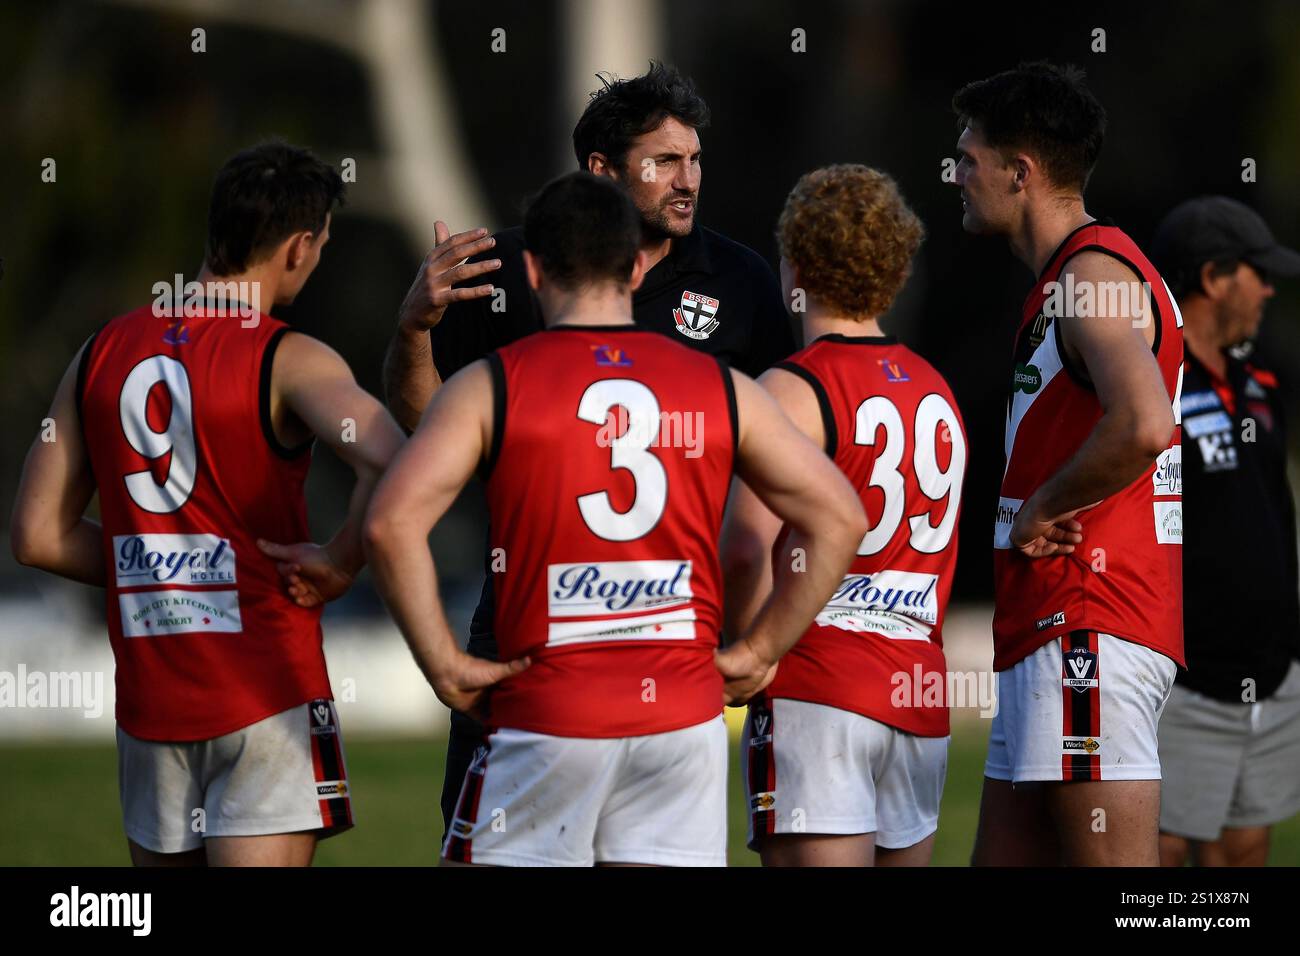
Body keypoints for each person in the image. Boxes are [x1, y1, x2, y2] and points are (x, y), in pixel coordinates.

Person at [363, 171, 865, 866]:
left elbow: (390, 524)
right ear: (635, 266)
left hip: (547, 711)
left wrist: (445, 666)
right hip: (680, 723)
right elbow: (839, 515)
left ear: (534, 269)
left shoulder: (494, 383)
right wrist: (760, 649)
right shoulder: (721, 386)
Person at [381, 61, 797, 835]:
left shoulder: (741, 281)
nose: (689, 180)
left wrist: (757, 627)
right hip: (522, 624)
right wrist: (413, 331)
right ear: (602, 171)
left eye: (695, 159)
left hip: (671, 631)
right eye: (664, 161)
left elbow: (796, 468)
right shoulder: (502, 271)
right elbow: (419, 423)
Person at [10, 141, 405, 866]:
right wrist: (341, 562)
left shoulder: (100, 351)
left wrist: (155, 570)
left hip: (154, 708)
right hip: (267, 696)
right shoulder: (289, 356)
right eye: (318, 248)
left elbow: (36, 535)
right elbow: (389, 456)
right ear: (297, 247)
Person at [952, 63, 1184, 866]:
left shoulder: (1091, 275)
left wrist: (1041, 505)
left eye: (970, 157)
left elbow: (1146, 423)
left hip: (1088, 617)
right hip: (1051, 626)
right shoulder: (1068, 278)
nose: (957, 173)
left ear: (1021, 173)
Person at [722, 165, 967, 867]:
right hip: (916, 694)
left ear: (794, 264)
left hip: (817, 685)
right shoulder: (936, 389)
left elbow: (745, 547)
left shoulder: (791, 388)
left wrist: (747, 651)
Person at [1149, 196, 1300, 866]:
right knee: (1168, 846)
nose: (1268, 289)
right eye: (1256, 273)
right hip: (1187, 680)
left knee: (1246, 846)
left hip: (1270, 676)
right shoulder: (1150, 383)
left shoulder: (1260, 382)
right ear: (1213, 277)